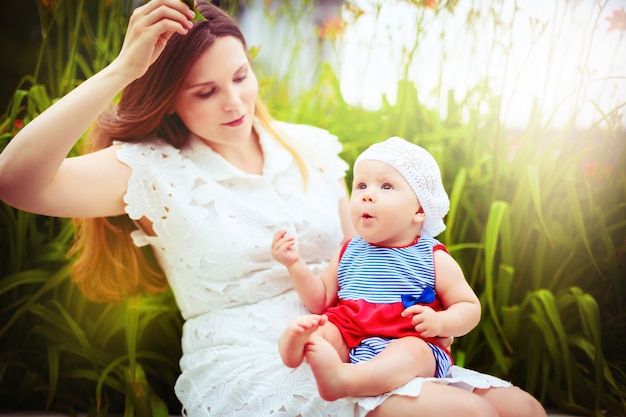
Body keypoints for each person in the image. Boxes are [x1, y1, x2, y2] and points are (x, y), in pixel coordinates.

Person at [0, 0, 548, 416]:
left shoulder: (306, 145)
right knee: (465, 414)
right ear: (169, 97)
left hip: (356, 334)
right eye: (204, 91)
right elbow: (16, 181)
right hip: (249, 354)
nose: (234, 102)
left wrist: (424, 306)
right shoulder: (152, 168)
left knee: (523, 410)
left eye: (240, 76)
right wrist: (123, 70)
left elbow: (362, 251)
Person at [272, 136, 480, 401]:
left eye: (386, 186)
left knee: (411, 351)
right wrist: (294, 264)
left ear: (419, 209)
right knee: (322, 331)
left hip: (409, 341)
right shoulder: (349, 250)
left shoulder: (431, 256)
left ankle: (345, 379)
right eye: (360, 185)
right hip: (352, 339)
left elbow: (469, 307)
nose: (367, 194)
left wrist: (441, 322)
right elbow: (321, 299)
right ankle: (294, 348)